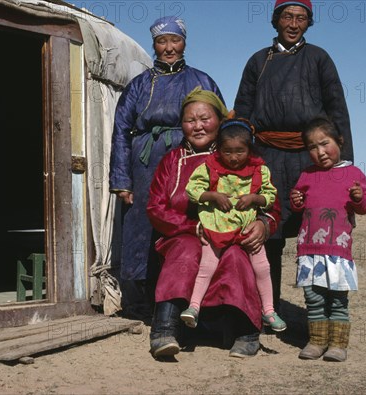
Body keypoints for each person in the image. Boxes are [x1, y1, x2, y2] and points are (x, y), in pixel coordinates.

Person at [233, 0, 353, 312]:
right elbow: (243, 113)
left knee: (318, 234)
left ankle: (320, 316)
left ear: (308, 23)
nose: (293, 23)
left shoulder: (319, 58)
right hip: (266, 158)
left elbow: (338, 112)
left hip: (310, 161)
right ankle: (263, 310)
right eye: (287, 16)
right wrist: (241, 162)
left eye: (301, 18)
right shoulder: (258, 61)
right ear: (275, 20)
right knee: (265, 232)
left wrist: (344, 165)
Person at [146, 88, 281, 359]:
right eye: (189, 120)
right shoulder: (172, 160)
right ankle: (164, 331)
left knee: (236, 256)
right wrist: (191, 228)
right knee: (185, 251)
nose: (197, 126)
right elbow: (155, 207)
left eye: (204, 118)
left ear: (219, 120)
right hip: (184, 233)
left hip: (233, 233)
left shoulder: (241, 156)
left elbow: (272, 204)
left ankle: (247, 331)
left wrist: (264, 225)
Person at [109, 16, 224, 321]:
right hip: (145, 162)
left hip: (190, 158)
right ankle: (139, 305)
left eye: (175, 40)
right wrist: (122, 180)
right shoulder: (139, 85)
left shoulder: (201, 80)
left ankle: (192, 303)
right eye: (162, 42)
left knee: (188, 220)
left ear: (184, 43)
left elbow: (221, 125)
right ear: (154, 45)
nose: (169, 48)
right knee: (141, 226)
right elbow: (121, 129)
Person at [181, 119, 286, 332]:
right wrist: (212, 195)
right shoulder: (209, 167)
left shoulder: (260, 169)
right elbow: (192, 190)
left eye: (240, 151)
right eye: (227, 152)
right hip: (216, 223)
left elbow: (270, 195)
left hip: (246, 226)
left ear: (250, 149)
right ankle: (193, 307)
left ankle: (268, 310)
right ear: (219, 149)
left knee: (262, 267)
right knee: (207, 266)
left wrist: (254, 199)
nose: (234, 158)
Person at [289, 118, 366, 362]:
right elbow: (301, 206)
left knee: (337, 299)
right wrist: (296, 202)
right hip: (309, 250)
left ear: (340, 141)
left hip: (338, 250)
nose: (320, 152)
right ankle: (316, 341)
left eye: (325, 144)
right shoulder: (306, 174)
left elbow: (365, 207)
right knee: (313, 298)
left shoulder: (354, 173)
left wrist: (359, 198)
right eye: (312, 147)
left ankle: (337, 344)